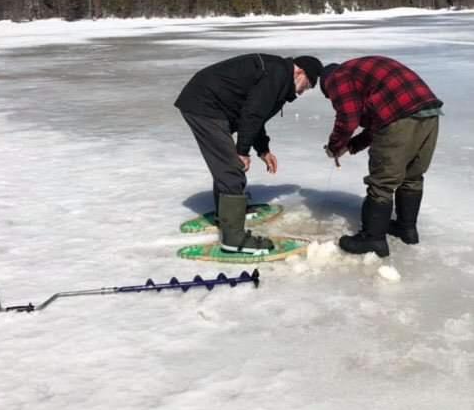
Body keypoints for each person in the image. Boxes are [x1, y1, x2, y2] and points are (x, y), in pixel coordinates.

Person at [175, 54, 323, 254]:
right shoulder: (277, 74)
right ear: (300, 72)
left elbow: (255, 115)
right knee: (231, 168)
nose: (305, 91)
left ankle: (226, 214)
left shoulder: (278, 76)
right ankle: (233, 239)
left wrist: (263, 150)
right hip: (205, 104)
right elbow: (252, 113)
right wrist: (242, 151)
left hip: (211, 104)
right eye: (309, 84)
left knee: (227, 164)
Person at [320, 56, 442, 257]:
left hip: (401, 116)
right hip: (429, 112)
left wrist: (335, 146)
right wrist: (350, 146)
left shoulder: (336, 77)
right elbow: (376, 127)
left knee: (382, 182)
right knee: (412, 175)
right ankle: (407, 229)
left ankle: (373, 239)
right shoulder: (363, 77)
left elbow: (348, 117)